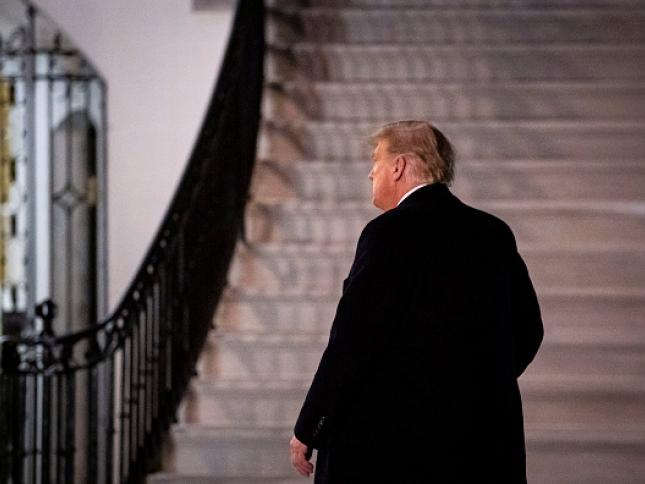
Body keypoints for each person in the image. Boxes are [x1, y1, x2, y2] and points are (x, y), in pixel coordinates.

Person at [289, 120, 544, 483]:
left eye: (376, 160)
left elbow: (353, 341)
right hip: (483, 448)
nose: (371, 173)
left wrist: (310, 426)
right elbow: (530, 330)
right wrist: (474, 381)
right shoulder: (494, 233)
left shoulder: (388, 233)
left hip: (392, 450)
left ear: (399, 166)